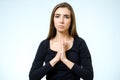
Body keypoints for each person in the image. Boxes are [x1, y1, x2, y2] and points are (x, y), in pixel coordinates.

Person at [29, 2, 94, 80]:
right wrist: (55, 60)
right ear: (53, 19)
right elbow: (32, 77)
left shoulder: (80, 43)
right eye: (57, 16)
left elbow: (89, 76)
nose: (61, 21)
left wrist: (65, 60)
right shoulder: (44, 44)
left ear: (71, 21)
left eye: (66, 17)